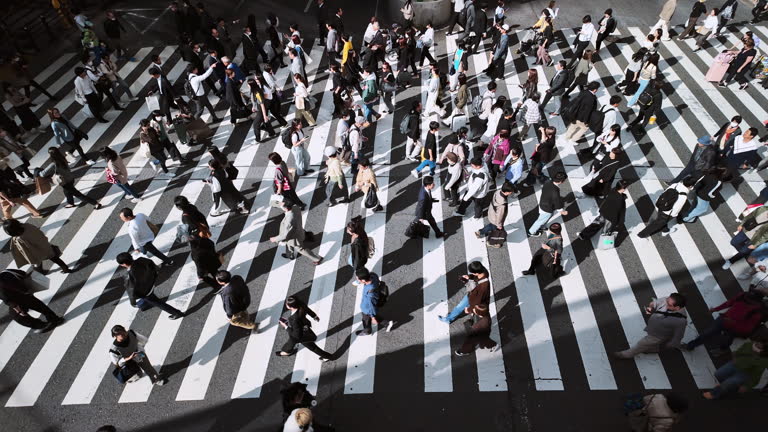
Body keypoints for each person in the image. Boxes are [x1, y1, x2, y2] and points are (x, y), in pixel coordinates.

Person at [683, 290, 767, 355]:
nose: (746, 300)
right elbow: (729, 303)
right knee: (707, 333)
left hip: (734, 328)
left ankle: (723, 349)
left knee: (727, 340)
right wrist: (715, 309)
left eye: (749, 300)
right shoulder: (743, 296)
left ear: (756, 302)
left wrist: (733, 323)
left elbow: (747, 329)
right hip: (724, 319)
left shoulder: (757, 313)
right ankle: (690, 346)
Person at [612, 294, 688, 359]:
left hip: (659, 335)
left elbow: (679, 335)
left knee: (642, 343)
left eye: (669, 304)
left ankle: (626, 355)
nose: (665, 302)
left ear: (677, 308)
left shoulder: (681, 321)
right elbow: (655, 303)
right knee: (649, 344)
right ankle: (653, 349)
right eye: (667, 300)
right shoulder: (667, 301)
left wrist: (673, 344)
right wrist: (651, 307)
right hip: (653, 328)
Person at [116, 252, 183, 319]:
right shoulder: (142, 260)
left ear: (124, 264)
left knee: (158, 303)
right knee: (151, 298)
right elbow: (154, 267)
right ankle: (146, 304)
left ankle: (176, 313)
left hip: (145, 293)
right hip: (151, 283)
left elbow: (131, 290)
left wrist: (133, 302)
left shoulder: (129, 276)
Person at [0, 269, 64, 333]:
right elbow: (22, 273)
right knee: (38, 305)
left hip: (17, 299)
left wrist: (17, 308)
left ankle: (43, 325)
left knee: (17, 316)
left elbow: (6, 297)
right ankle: (55, 319)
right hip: (26, 293)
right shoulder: (6, 272)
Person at [37, 147, 102, 209]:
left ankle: (96, 203)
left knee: (78, 195)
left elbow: (42, 174)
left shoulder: (53, 164)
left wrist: (37, 171)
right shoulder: (63, 159)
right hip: (70, 178)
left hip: (65, 182)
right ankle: (70, 203)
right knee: (66, 191)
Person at [275, 296, 333, 361]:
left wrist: (286, 326)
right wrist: (314, 316)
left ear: (290, 307)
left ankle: (328, 356)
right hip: (304, 327)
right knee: (291, 342)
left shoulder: (293, 319)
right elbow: (308, 310)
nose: (285, 304)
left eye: (286, 304)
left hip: (302, 334)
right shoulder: (301, 305)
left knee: (312, 347)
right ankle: (287, 351)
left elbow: (296, 335)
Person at [703, 341, 768, 399]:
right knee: (718, 374)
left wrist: (747, 386)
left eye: (761, 343)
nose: (758, 343)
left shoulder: (763, 361)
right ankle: (729, 387)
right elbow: (737, 352)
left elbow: (756, 376)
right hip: (735, 364)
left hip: (745, 373)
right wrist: (734, 358)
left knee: (728, 383)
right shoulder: (749, 345)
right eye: (759, 341)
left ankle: (714, 394)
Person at [4, 218, 71, 274]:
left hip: (36, 252)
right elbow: (39, 232)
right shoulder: (27, 226)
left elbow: (26, 249)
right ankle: (66, 269)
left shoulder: (19, 238)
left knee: (37, 263)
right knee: (55, 258)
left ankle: (41, 273)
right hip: (44, 246)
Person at [270, 200, 323, 264]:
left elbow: (285, 235)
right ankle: (290, 255)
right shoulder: (295, 207)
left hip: (294, 237)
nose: (280, 205)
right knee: (288, 244)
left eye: (282, 205)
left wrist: (274, 239)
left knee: (300, 249)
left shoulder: (289, 220)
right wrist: (276, 202)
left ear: (286, 208)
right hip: (298, 231)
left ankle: (317, 259)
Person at [722, 203, 768, 269]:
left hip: (755, 239)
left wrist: (755, 244)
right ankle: (744, 252)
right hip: (746, 230)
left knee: (743, 251)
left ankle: (730, 261)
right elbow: (750, 216)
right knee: (733, 242)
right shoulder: (762, 209)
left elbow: (765, 236)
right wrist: (741, 224)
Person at [528, 172, 568, 236]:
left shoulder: (548, 182)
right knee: (540, 220)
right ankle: (532, 232)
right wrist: (562, 211)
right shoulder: (555, 191)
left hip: (543, 203)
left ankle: (542, 227)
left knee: (544, 219)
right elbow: (557, 203)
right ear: (561, 181)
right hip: (547, 208)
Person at [563, 82, 600, 147]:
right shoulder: (592, 99)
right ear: (595, 89)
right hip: (582, 117)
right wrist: (586, 121)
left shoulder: (583, 92)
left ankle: (567, 137)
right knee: (584, 128)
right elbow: (587, 111)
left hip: (575, 114)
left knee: (573, 126)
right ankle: (573, 139)